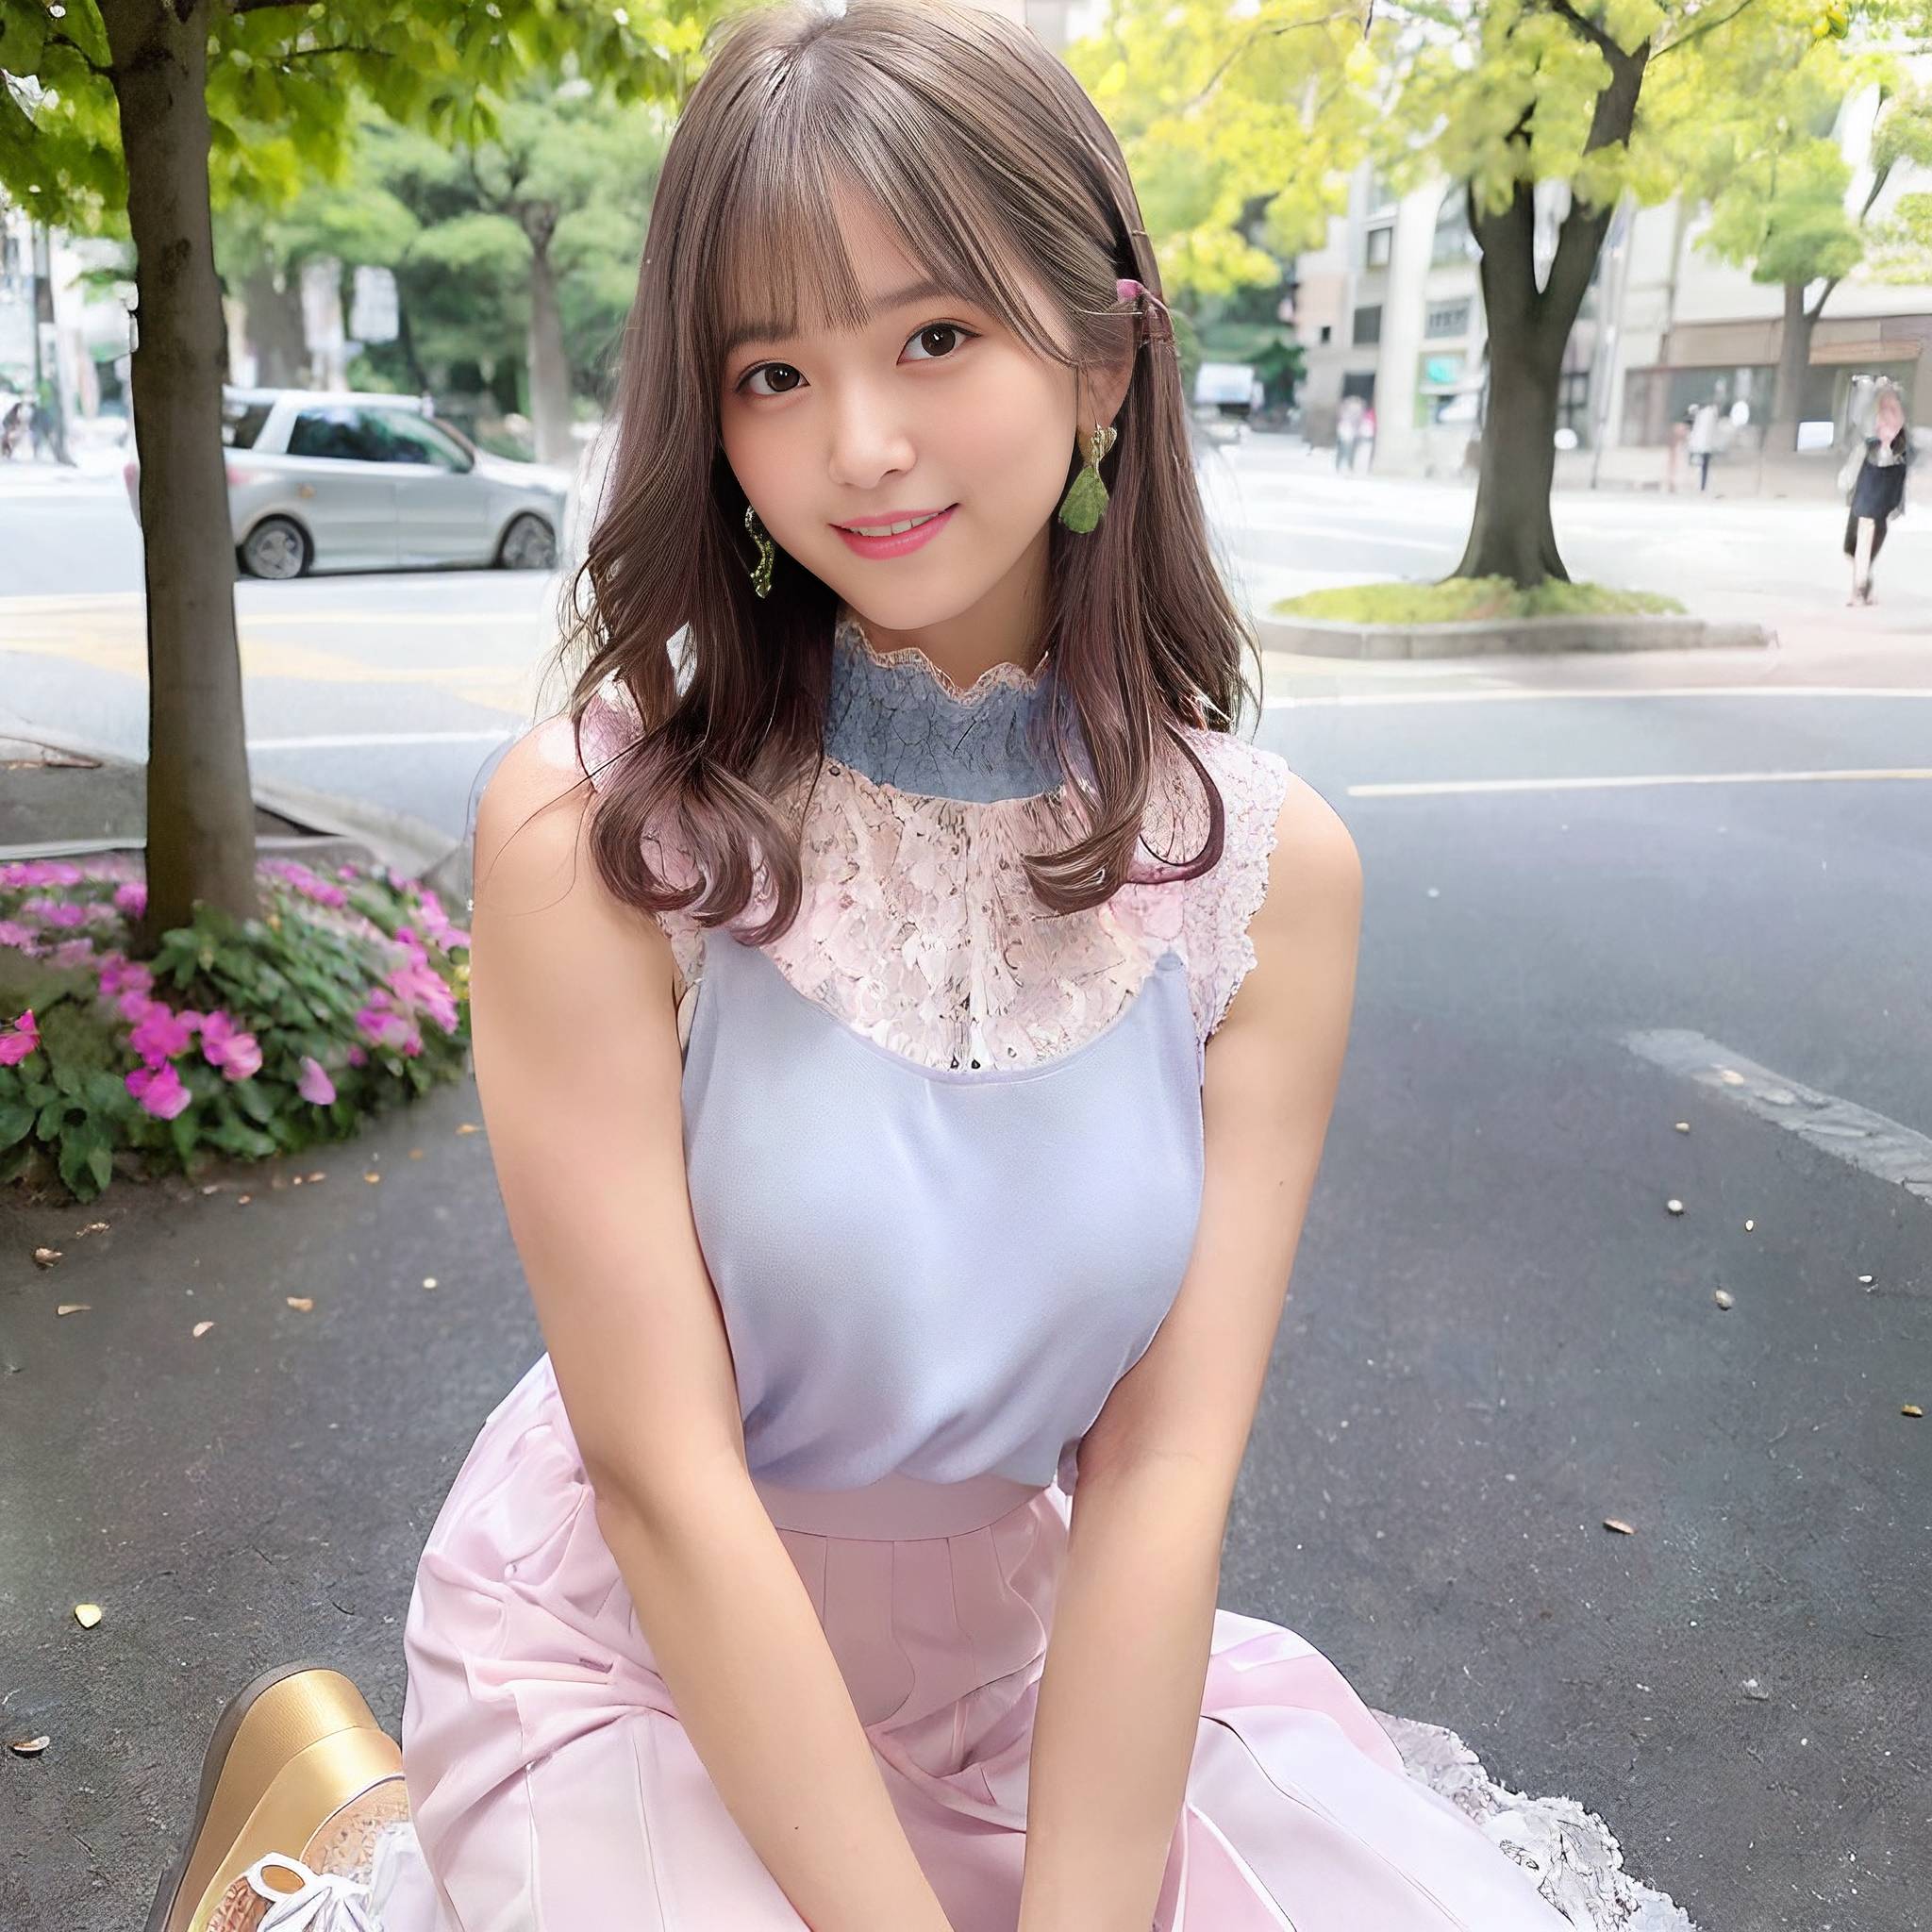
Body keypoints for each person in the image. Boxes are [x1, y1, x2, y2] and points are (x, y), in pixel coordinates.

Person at [146, 6, 1692, 1929]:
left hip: (1022, 1671)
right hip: (626, 1652)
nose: (854, 445)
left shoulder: (1265, 878)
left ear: (1106, 359)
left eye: (935, 337)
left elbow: (1154, 1487)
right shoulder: (602, 832)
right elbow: (662, 1482)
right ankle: (340, 1785)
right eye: (772, 368)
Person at [1839, 378, 1910, 606]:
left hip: (1882, 494)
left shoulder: (1902, 450)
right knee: (1855, 544)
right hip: (1867, 490)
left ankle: (1861, 587)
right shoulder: (1869, 445)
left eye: (1892, 412)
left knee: (1867, 537)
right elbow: (1860, 424)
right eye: (1883, 413)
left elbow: (1900, 480)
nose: (1885, 420)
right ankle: (1861, 586)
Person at [1687, 396, 1721, 491]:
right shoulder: (1698, 410)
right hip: (1700, 443)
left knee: (1703, 466)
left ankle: (1702, 486)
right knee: (1700, 465)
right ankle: (1699, 486)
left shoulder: (1711, 411)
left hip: (1705, 444)